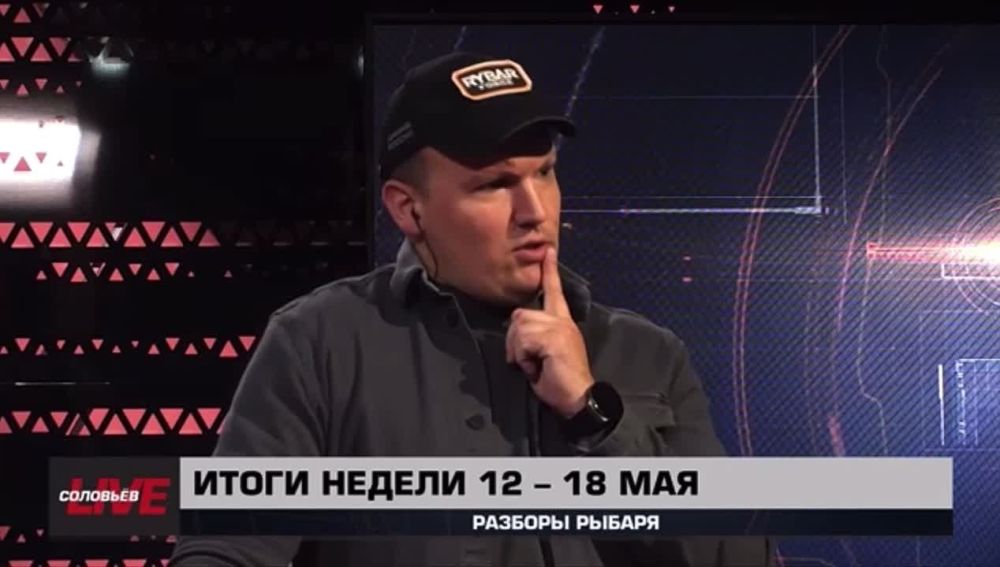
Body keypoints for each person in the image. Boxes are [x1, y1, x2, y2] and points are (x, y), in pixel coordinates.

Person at [169, 51, 773, 566]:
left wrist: (595, 415)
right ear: (408, 210)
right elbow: (222, 550)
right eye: (494, 185)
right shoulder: (320, 343)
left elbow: (740, 556)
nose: (535, 211)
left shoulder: (648, 353)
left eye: (545, 173)